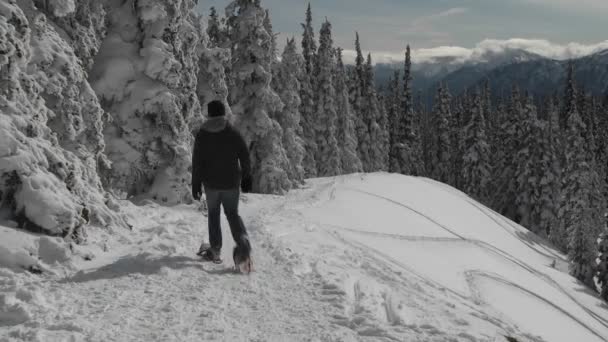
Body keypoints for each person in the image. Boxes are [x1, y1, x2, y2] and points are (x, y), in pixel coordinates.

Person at [191, 100, 252, 266]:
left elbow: (197, 162)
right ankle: (243, 242)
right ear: (223, 112)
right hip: (231, 182)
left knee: (213, 214)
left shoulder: (202, 134)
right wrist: (247, 176)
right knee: (232, 214)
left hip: (211, 183)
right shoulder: (231, 132)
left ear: (209, 114)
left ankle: (215, 250)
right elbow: (244, 155)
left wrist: (195, 184)